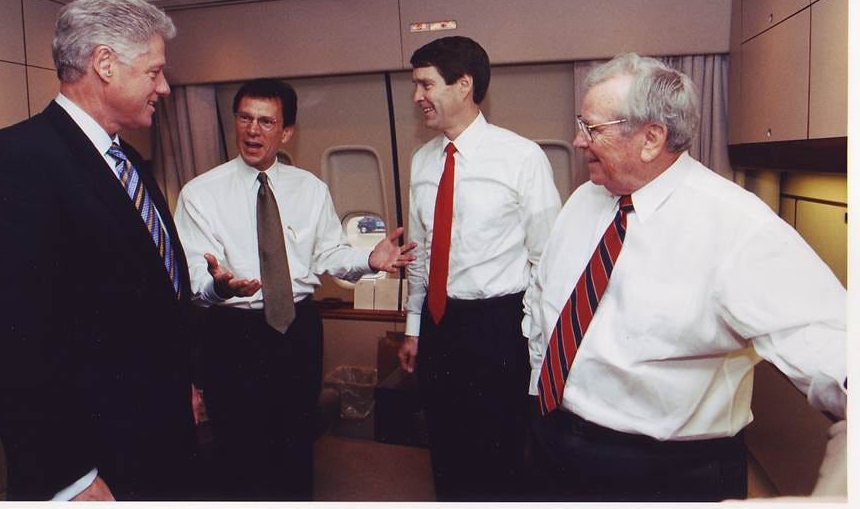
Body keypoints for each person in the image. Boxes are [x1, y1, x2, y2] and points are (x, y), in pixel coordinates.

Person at [527, 53, 847, 501]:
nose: (577, 142)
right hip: (555, 439)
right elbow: (547, 300)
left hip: (664, 471)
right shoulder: (584, 200)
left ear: (651, 138)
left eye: (591, 129)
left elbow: (829, 339)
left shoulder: (737, 227)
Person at [0, 0, 200, 500]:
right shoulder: (10, 165)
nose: (165, 87)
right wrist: (70, 477)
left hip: (159, 436)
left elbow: (147, 299)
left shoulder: (130, 164)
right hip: (94, 463)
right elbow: (12, 343)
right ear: (104, 64)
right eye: (154, 72)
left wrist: (181, 390)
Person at [173, 78, 416, 501]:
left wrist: (367, 261)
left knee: (294, 443)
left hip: (297, 329)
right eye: (245, 118)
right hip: (233, 331)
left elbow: (331, 254)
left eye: (266, 122)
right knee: (239, 449)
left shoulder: (310, 189)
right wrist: (217, 287)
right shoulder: (200, 194)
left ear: (286, 132)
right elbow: (194, 273)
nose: (253, 131)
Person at [397, 36, 562, 501]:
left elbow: (545, 259)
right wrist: (413, 327)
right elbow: (421, 252)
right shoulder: (422, 160)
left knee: (499, 453)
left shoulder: (521, 157)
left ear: (463, 84)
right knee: (446, 449)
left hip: (498, 326)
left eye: (426, 84)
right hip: (438, 324)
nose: (417, 97)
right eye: (415, 86)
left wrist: (538, 348)